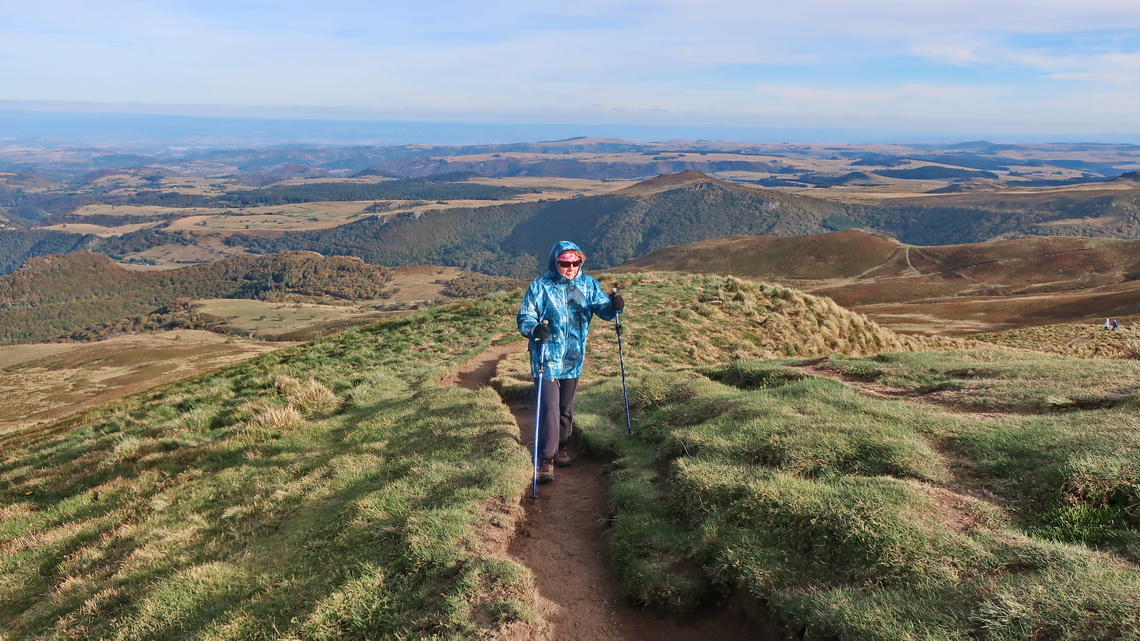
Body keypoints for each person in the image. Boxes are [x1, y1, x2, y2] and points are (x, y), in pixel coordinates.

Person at [517, 241, 624, 484]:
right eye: (565, 263)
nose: (571, 267)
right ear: (555, 263)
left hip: (573, 357)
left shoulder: (587, 284)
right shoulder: (540, 285)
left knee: (565, 407)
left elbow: (603, 310)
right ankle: (545, 460)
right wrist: (534, 329)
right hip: (545, 357)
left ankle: (562, 446)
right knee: (549, 408)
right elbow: (525, 316)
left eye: (576, 262)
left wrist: (615, 307)